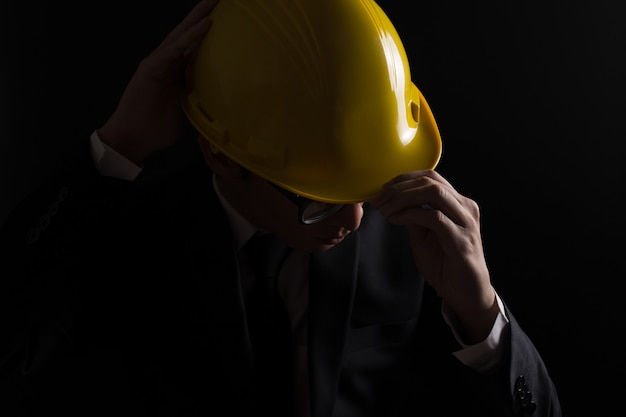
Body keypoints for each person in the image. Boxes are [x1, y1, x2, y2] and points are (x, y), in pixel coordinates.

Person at [0, 0, 562, 416]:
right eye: (318, 198)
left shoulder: (417, 238)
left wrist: (483, 320)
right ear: (220, 157)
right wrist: (118, 146)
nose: (355, 220)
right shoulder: (134, 239)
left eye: (360, 188)